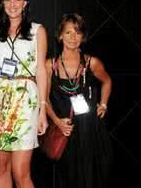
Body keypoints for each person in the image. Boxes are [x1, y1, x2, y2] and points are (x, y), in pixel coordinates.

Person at [0, 0, 48, 188]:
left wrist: (43, 110)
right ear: (2, 3)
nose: (12, 4)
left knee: (22, 173)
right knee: (1, 169)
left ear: (25, 3)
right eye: (8, 0)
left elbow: (41, 71)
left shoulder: (38, 31)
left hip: (25, 104)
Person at [45, 13, 112, 188]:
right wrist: (57, 121)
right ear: (60, 36)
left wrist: (103, 104)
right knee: (67, 178)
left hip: (90, 130)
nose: (73, 37)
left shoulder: (92, 63)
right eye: (68, 32)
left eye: (77, 32)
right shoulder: (49, 65)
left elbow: (107, 81)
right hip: (65, 130)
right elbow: (43, 99)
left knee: (90, 177)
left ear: (83, 37)